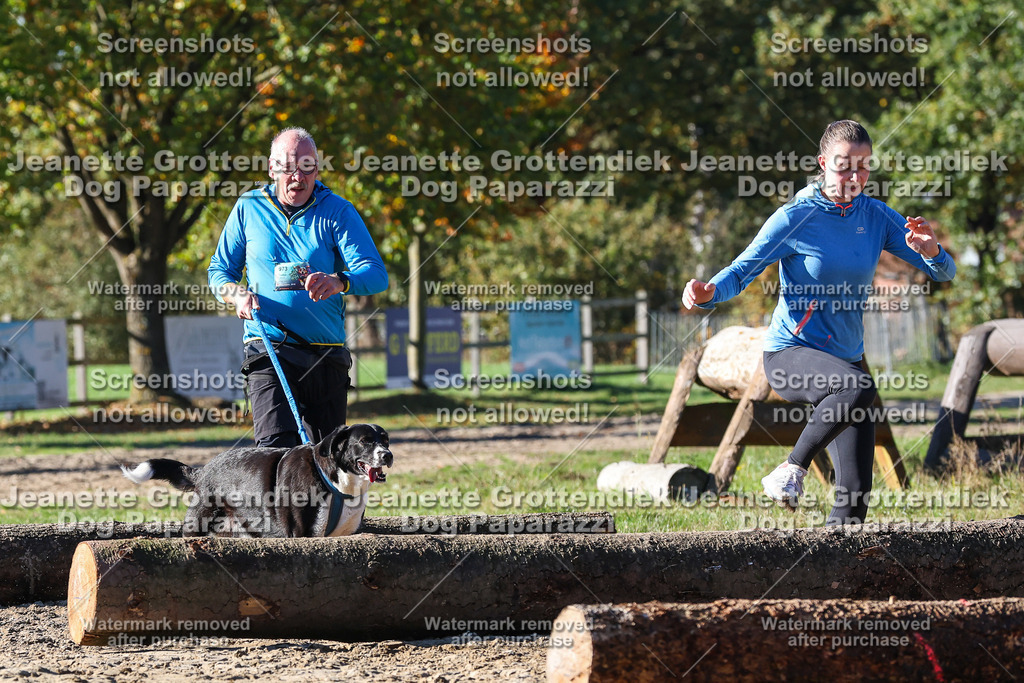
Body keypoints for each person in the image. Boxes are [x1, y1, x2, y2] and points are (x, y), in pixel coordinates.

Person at [682, 120, 956, 525]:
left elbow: (944, 273)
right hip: (790, 356)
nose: (855, 177)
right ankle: (792, 468)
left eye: (864, 167)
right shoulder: (797, 216)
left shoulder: (876, 216)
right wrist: (707, 293)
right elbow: (741, 271)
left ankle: (834, 581)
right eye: (845, 166)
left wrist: (932, 250)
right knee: (859, 385)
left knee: (854, 499)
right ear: (823, 162)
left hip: (846, 366)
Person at [209, 127, 388, 447]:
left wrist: (339, 281)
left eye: (307, 167)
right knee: (274, 451)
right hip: (268, 348)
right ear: (271, 168)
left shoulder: (338, 211)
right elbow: (219, 270)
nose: (298, 176)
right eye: (288, 167)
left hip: (325, 353)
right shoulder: (248, 208)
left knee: (327, 463)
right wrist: (235, 293)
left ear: (317, 169)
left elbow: (375, 274)